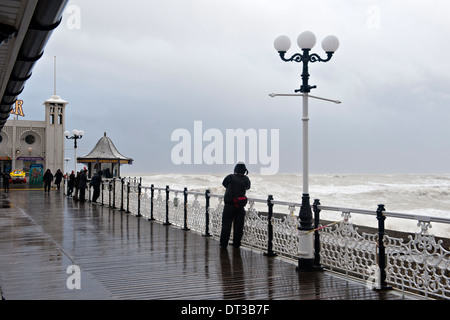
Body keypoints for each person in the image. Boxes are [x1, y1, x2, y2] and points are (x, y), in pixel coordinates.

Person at [219, 162, 251, 249]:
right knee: (239, 226)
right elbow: (248, 187)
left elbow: (224, 184)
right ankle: (237, 243)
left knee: (226, 224)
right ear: (244, 171)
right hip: (240, 205)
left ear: (235, 169)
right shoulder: (246, 179)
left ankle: (223, 244)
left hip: (229, 205)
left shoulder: (230, 177)